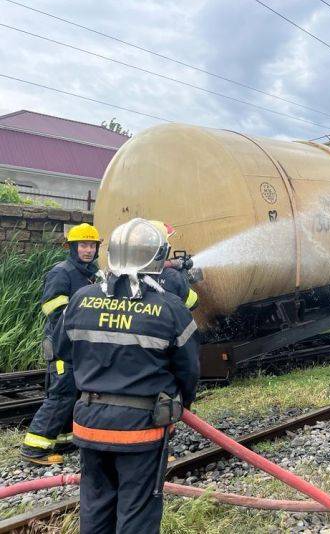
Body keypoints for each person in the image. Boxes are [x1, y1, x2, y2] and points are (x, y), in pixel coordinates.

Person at [54, 218, 200, 534]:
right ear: (158, 258)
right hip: (142, 431)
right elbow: (189, 371)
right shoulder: (170, 308)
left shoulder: (82, 299)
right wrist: (179, 405)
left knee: (95, 510)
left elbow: (61, 349)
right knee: (137, 514)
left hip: (90, 425)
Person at [20, 223, 101, 465]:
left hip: (78, 346)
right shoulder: (62, 272)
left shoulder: (91, 274)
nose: (88, 250)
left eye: (92, 245)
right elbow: (53, 310)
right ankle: (33, 448)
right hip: (62, 346)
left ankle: (64, 441)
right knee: (61, 396)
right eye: (83, 245)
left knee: (73, 394)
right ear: (73, 247)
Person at [151, 221, 199, 311]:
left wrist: (170, 263)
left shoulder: (121, 275)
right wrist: (183, 275)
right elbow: (193, 304)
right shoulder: (171, 276)